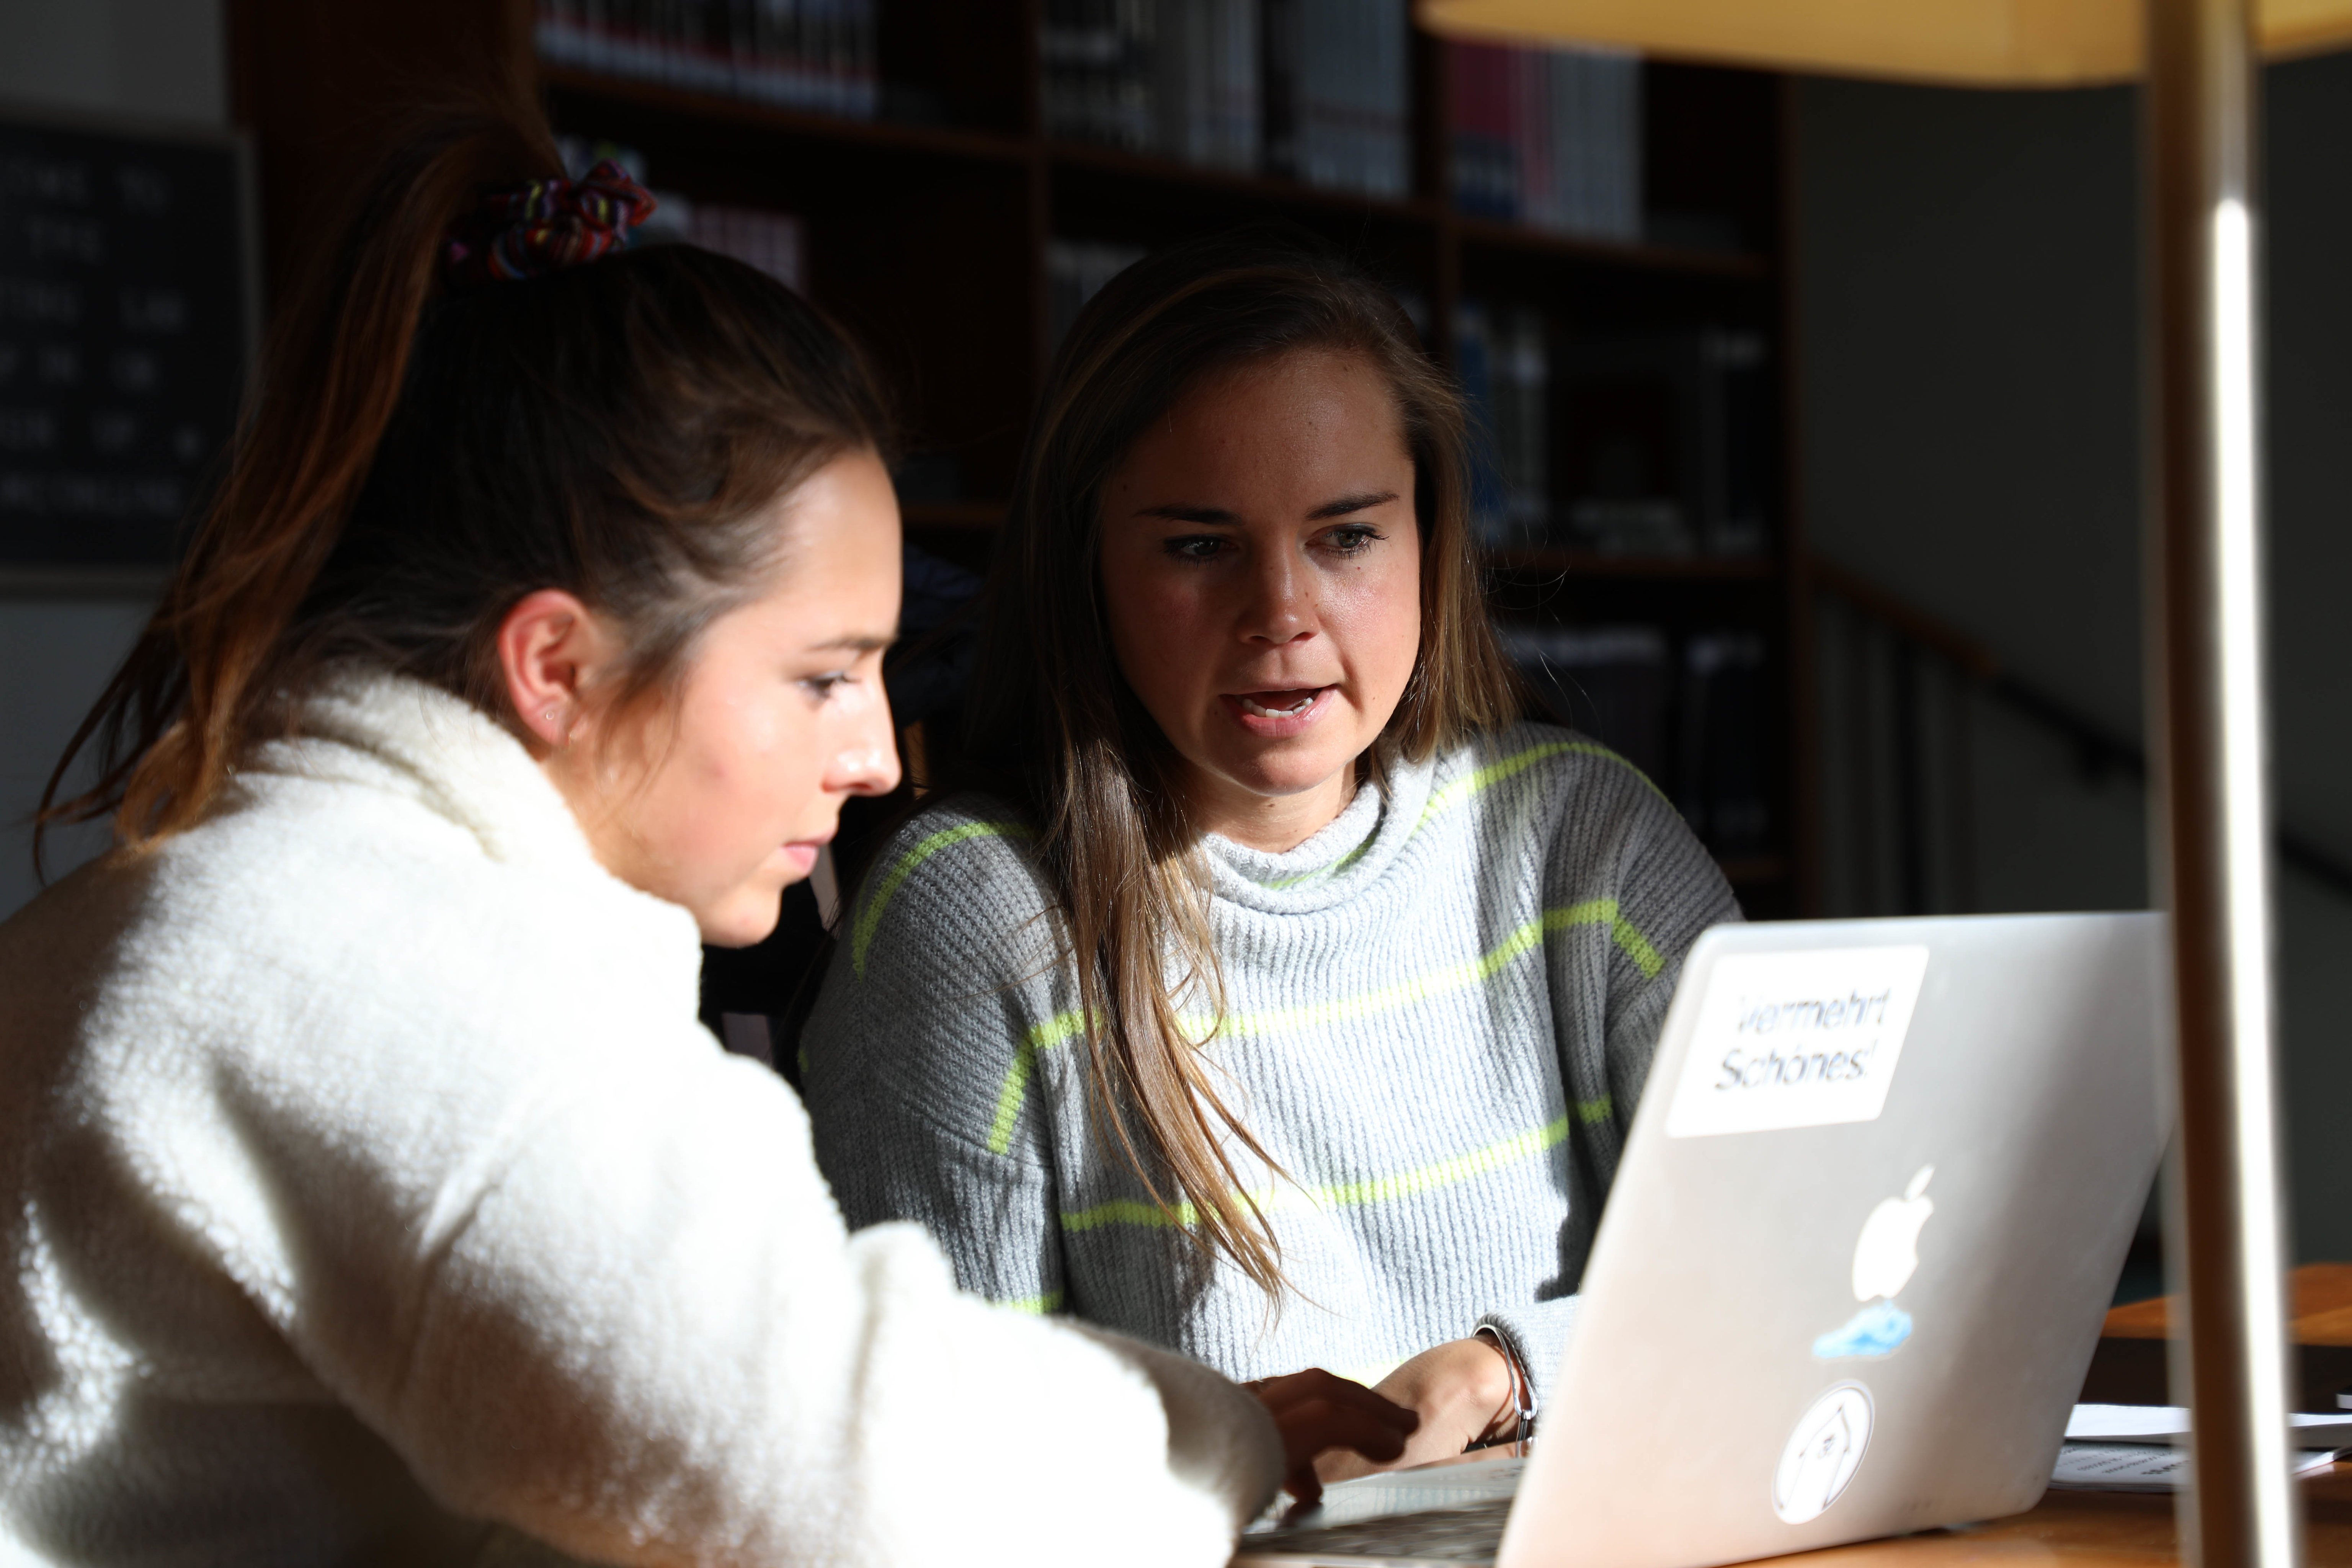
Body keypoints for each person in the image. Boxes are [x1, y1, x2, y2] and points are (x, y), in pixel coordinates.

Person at [0, 114, 1412, 1566]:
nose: (871, 759)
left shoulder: (253, 894)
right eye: (820, 676)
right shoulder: (414, 980)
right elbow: (823, 1477)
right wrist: (1207, 1444)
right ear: (558, 667)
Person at [800, 232, 1743, 1478]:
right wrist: (1217, 1466)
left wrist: (1513, 1373)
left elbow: (1788, 1279)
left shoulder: (1588, 842)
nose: (1282, 613)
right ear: (1087, 568)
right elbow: (925, 1478)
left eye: (1347, 537)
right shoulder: (974, 919)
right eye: (1199, 546)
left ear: (1430, 540)